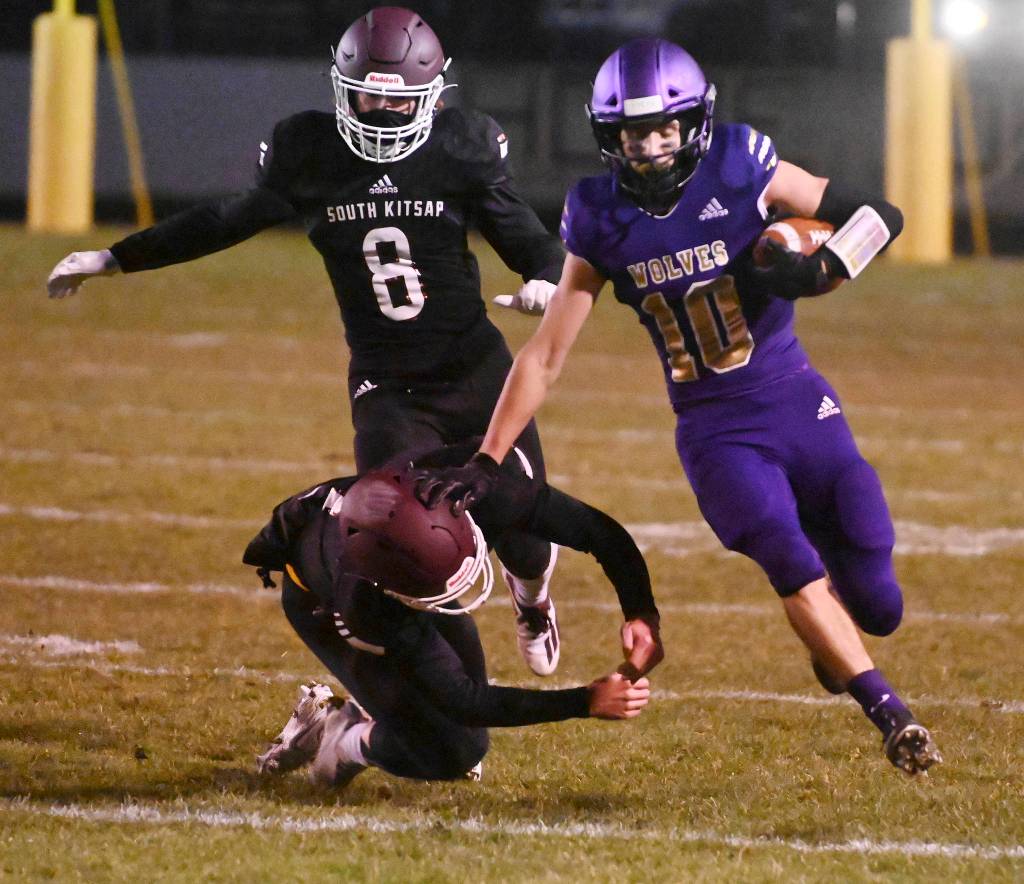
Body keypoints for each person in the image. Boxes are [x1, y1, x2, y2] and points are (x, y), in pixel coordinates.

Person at [415, 38, 942, 774]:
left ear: (696, 121)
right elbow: (545, 354)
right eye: (636, 133)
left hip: (796, 398)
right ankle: (891, 715)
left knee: (880, 602)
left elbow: (878, 211)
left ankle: (840, 643)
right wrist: (488, 456)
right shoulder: (597, 216)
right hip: (716, 431)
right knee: (788, 558)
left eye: (668, 128)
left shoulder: (742, 162)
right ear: (611, 138)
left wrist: (822, 264)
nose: (655, 147)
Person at [44, 7, 565, 677]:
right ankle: (444, 693)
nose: (379, 112)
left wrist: (545, 281)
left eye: (397, 99)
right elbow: (225, 221)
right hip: (386, 383)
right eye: (368, 95)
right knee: (394, 533)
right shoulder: (311, 152)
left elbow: (527, 235)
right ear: (342, 90)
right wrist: (119, 257)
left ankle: (533, 600)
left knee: (521, 529)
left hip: (474, 370)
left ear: (432, 97)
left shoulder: (460, 146)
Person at [244, 439, 661, 785]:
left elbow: (597, 531)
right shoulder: (365, 601)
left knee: (457, 719)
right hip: (323, 606)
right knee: (455, 751)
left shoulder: (478, 492)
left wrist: (640, 611)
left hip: (383, 571)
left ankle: (369, 719)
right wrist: (584, 701)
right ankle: (343, 738)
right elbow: (465, 701)